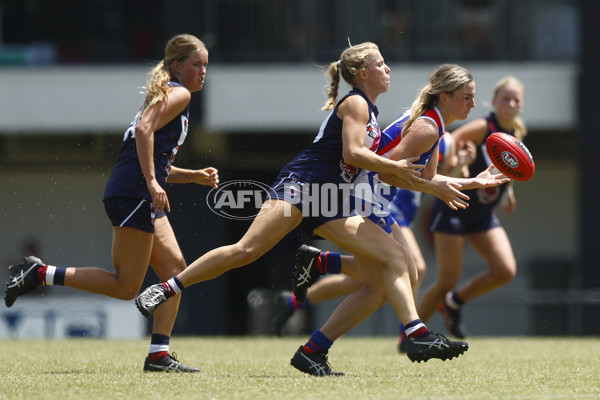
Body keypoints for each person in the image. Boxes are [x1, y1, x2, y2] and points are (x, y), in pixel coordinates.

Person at [134, 46, 478, 376]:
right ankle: (168, 288)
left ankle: (315, 351)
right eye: (380, 64)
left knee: (385, 275)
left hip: (331, 199)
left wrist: (455, 181)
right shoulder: (356, 103)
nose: (387, 69)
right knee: (247, 250)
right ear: (361, 74)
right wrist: (400, 170)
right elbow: (353, 154)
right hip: (303, 186)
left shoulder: (371, 110)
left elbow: (375, 166)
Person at [4, 34, 218, 373]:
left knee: (175, 271)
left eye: (206, 65)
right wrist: (151, 183)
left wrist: (190, 176)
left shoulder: (173, 95)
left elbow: (149, 154)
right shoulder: (178, 94)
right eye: (197, 64)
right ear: (177, 66)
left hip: (133, 190)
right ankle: (40, 272)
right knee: (127, 286)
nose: (203, 71)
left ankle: (159, 355)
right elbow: (145, 133)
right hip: (136, 193)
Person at [286, 65, 509, 363]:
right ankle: (416, 334)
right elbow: (388, 172)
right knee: (397, 270)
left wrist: (472, 182)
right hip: (363, 199)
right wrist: (436, 191)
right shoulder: (428, 128)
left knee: (393, 281)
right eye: (466, 97)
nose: (472, 104)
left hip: (376, 201)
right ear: (444, 97)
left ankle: (313, 343)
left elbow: (429, 178)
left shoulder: (435, 126)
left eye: (473, 97)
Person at [271, 131, 474, 343]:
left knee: (362, 283)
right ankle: (409, 334)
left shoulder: (446, 141)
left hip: (403, 212)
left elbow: (436, 183)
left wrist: (461, 165)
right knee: (415, 267)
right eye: (465, 97)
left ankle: (302, 289)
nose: (470, 104)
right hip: (389, 208)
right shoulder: (418, 130)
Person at [418, 75, 527, 338]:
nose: (510, 104)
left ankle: (453, 303)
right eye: (506, 99)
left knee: (505, 270)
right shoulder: (482, 127)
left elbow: (508, 167)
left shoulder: (517, 133)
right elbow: (450, 140)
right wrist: (460, 164)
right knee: (446, 280)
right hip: (454, 206)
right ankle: (410, 332)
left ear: (521, 105)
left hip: (481, 213)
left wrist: (508, 191)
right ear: (494, 102)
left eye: (516, 100)